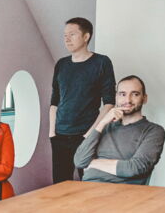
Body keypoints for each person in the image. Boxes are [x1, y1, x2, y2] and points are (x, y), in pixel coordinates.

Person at [50, 17, 116, 183]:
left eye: (72, 34)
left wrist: (90, 134)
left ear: (86, 37)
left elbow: (109, 103)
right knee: (60, 185)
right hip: (60, 135)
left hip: (86, 135)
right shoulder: (62, 64)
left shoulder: (101, 62)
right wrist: (52, 132)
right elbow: (54, 101)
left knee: (89, 183)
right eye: (65, 35)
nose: (66, 38)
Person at [74, 75, 165, 184]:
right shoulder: (105, 126)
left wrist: (92, 163)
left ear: (144, 98)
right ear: (116, 97)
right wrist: (102, 122)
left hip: (123, 194)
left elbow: (135, 168)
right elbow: (79, 161)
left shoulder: (154, 131)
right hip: (86, 189)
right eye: (122, 94)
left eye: (135, 94)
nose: (127, 100)